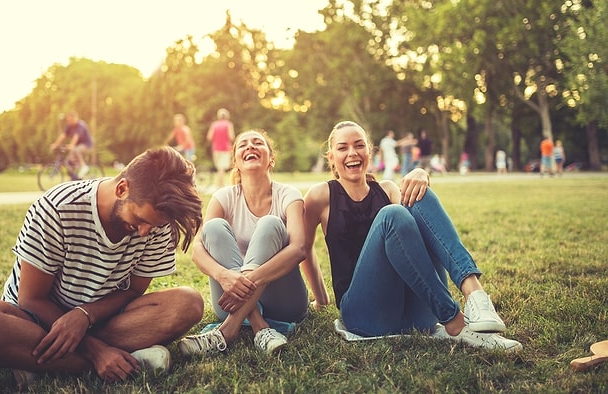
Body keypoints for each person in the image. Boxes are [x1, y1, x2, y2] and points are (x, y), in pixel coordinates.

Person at [0, 147, 205, 388]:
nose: (144, 232)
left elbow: (133, 291)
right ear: (122, 188)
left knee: (188, 303)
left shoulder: (158, 222)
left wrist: (85, 316)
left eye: (154, 226)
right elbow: (31, 299)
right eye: (139, 219)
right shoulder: (57, 208)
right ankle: (116, 361)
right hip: (35, 320)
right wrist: (96, 350)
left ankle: (40, 365)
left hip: (104, 318)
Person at [303, 121, 522, 351]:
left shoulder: (387, 189)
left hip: (416, 315)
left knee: (417, 195)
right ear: (331, 157)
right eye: (342, 148)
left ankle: (474, 293)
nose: (352, 153)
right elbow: (304, 248)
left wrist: (421, 174)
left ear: (369, 150)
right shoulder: (321, 196)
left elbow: (421, 226)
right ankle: (454, 319)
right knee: (391, 215)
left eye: (359, 145)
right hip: (365, 316)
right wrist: (321, 298)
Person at [177, 130, 327, 357]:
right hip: (229, 299)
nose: (250, 147)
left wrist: (248, 280)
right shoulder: (224, 197)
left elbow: (298, 249)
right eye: (243, 145)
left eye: (258, 143)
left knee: (270, 224)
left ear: (271, 158)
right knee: (213, 228)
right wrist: (223, 276)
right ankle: (259, 325)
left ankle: (227, 331)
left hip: (284, 303)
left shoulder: (288, 195)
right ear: (236, 161)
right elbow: (198, 250)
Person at [50, 111, 95, 179]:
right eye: (68, 120)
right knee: (67, 161)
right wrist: (56, 144)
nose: (69, 122)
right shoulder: (69, 126)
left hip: (87, 145)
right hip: (77, 146)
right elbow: (63, 135)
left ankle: (84, 167)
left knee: (76, 150)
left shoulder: (81, 125)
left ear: (75, 118)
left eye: (70, 120)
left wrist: (71, 145)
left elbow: (76, 137)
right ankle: (75, 178)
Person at [206, 108, 235, 188]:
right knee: (222, 167)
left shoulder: (214, 125)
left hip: (216, 148)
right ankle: (220, 185)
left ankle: (219, 184)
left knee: (219, 167)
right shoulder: (228, 124)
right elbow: (231, 137)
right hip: (225, 148)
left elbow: (209, 137)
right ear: (227, 116)